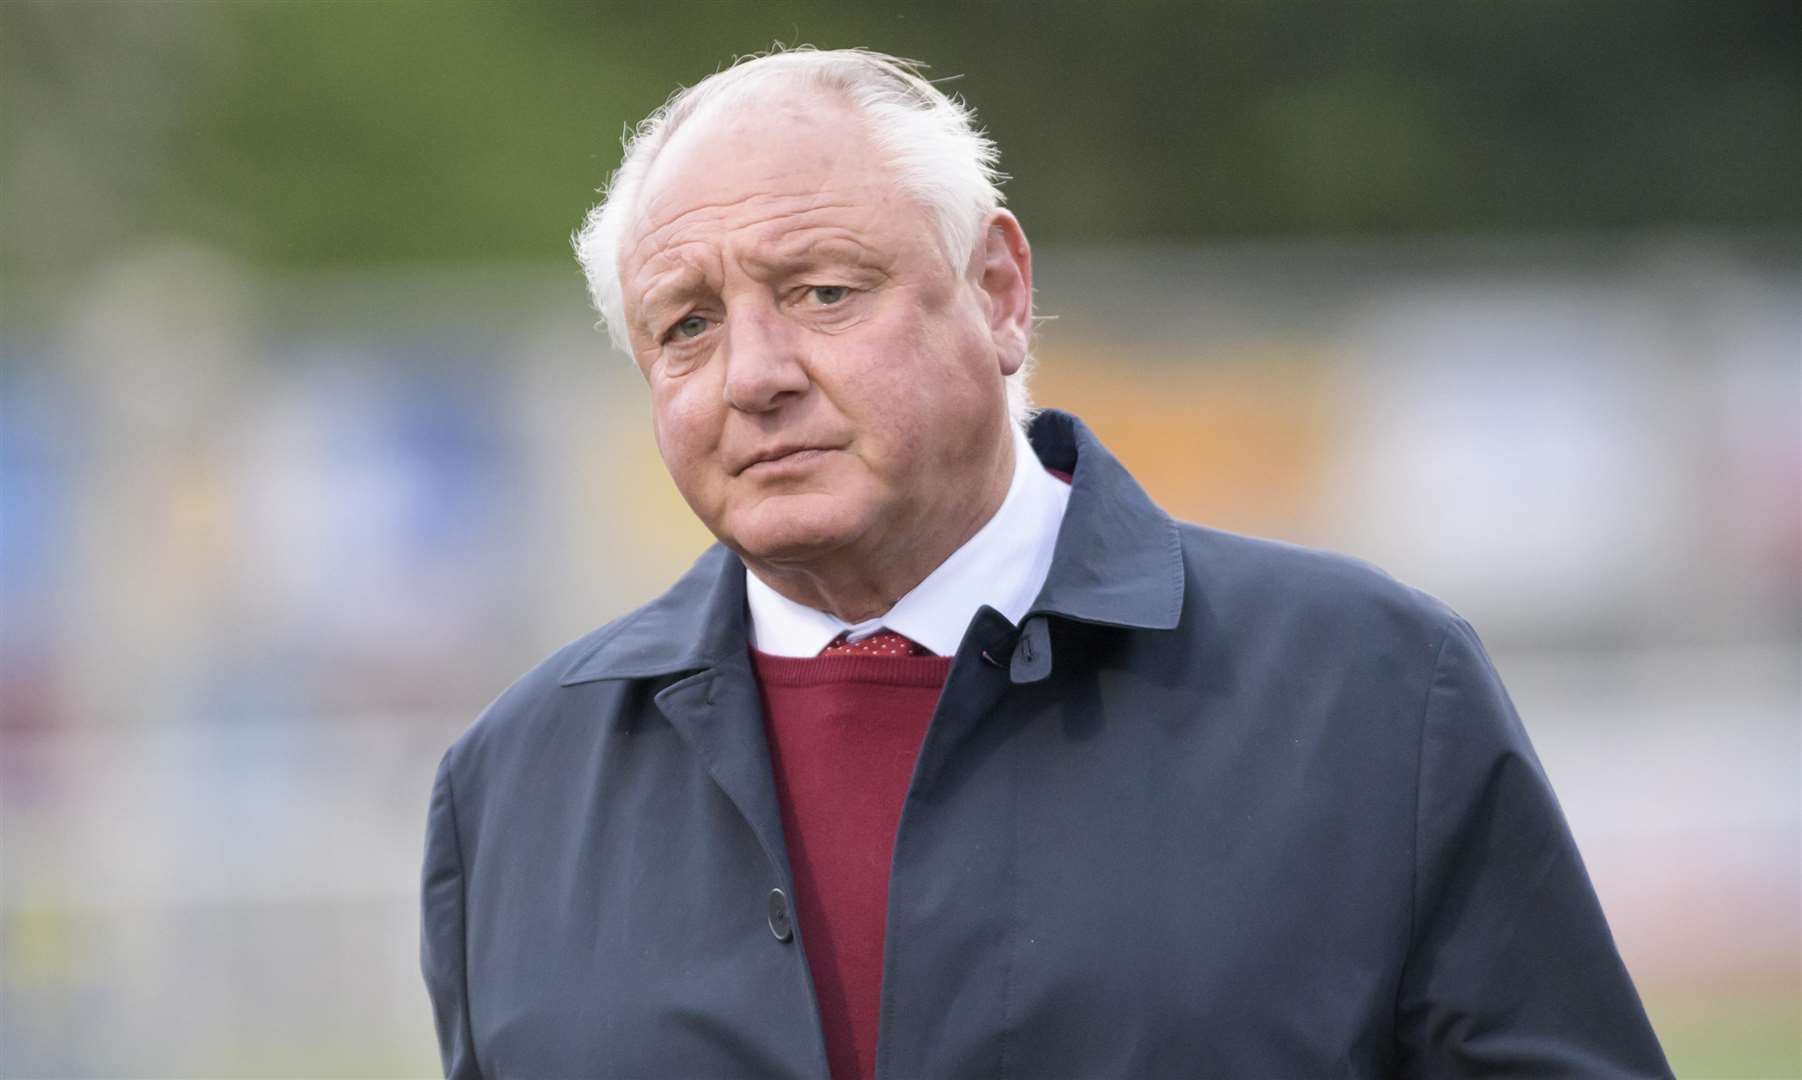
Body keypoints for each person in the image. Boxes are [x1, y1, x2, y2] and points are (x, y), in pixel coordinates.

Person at [420, 47, 1671, 1080]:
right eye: (685, 326)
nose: (753, 375)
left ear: (999, 293)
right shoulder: (514, 785)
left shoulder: (1370, 690)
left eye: (819, 294)